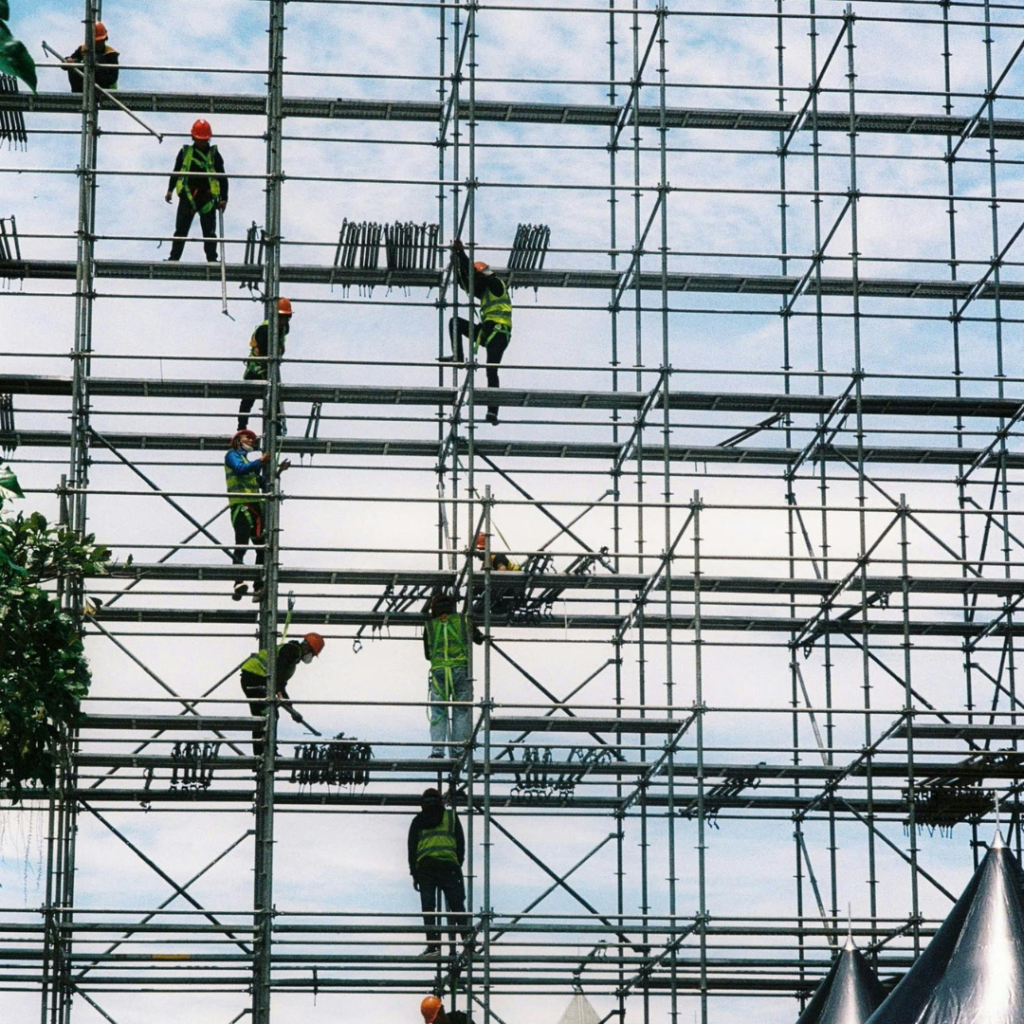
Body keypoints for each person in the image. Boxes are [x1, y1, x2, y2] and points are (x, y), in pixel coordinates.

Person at [441, 238, 512, 426]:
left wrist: (463, 254)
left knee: (491, 369)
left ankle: (493, 412)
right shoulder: (485, 291)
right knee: (455, 322)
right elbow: (467, 280)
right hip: (486, 331)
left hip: (498, 332)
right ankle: (458, 355)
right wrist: (458, 257)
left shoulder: (497, 286)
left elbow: (482, 277)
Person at [225, 429, 290, 602]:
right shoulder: (232, 455)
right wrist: (260, 462)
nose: (251, 441)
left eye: (253, 439)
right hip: (241, 506)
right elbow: (239, 470)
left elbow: (263, 483)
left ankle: (258, 587)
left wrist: (278, 472)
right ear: (238, 440)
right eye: (248, 438)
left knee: (262, 547)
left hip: (255, 509)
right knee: (242, 544)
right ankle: (238, 582)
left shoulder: (250, 462)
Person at [239, 633, 325, 755]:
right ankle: (264, 752)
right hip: (255, 678)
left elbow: (281, 685)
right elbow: (277, 676)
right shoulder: (292, 651)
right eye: (312, 653)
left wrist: (292, 710)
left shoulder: (293, 656)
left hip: (255, 678)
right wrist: (279, 693)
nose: (310, 656)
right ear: (307, 648)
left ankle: (263, 752)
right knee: (268, 716)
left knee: (265, 716)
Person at [408, 789, 469, 958]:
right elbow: (461, 843)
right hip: (449, 867)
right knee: (457, 905)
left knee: (429, 908)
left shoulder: (418, 820)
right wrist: (458, 863)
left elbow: (412, 849)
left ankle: (433, 944)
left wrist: (414, 874)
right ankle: (467, 940)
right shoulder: (450, 817)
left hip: (426, 869)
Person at [423, 588, 483, 758]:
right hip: (461, 670)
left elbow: (428, 655)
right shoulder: (464, 621)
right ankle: (458, 751)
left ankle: (438, 751)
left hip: (439, 672)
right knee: (462, 711)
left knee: (438, 711)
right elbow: (478, 639)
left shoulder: (430, 625)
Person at [165, 119, 228, 263]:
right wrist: (170, 189)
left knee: (209, 233)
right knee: (181, 230)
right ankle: (174, 258)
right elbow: (176, 171)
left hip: (207, 197)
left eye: (204, 140)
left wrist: (224, 198)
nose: (202, 142)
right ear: (194, 138)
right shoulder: (186, 152)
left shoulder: (214, 155)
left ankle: (212, 259)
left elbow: (222, 177)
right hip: (188, 196)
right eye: (200, 139)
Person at [238, 299, 293, 432]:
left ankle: (277, 425)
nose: (283, 321)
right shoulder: (264, 330)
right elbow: (264, 354)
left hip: (270, 368)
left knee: (275, 395)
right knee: (248, 398)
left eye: (286, 318)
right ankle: (241, 427)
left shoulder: (284, 328)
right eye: (281, 317)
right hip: (256, 368)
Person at [63, 22, 119, 93]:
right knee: (74, 63)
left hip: (105, 90)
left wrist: (96, 73)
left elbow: (113, 78)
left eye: (101, 41)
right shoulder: (83, 49)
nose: (99, 44)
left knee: (96, 58)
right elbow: (66, 64)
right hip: (84, 89)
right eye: (97, 41)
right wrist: (68, 60)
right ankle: (78, 93)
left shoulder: (111, 54)